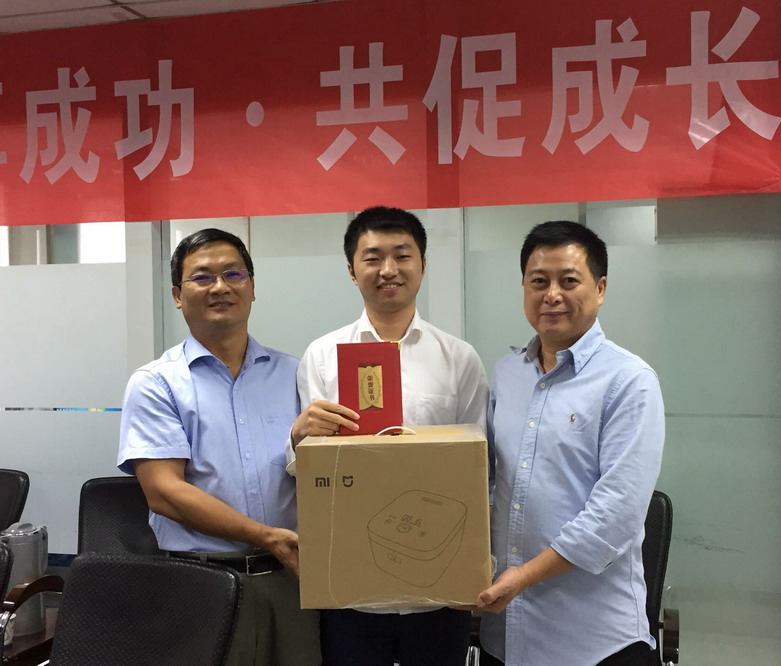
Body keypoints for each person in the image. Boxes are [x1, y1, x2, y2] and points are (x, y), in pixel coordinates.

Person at [288, 206, 489, 666]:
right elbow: (309, 470)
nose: (388, 269)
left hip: (439, 591)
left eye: (402, 255)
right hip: (350, 586)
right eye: (373, 257)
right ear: (351, 270)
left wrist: (473, 567)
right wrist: (301, 436)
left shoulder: (459, 358)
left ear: (423, 264)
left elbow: (478, 471)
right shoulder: (322, 356)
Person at [118, 228, 321, 666]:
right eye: (202, 277)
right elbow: (164, 492)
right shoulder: (156, 383)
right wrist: (266, 536)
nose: (220, 287)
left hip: (290, 579)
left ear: (252, 287)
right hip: (199, 582)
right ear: (177, 295)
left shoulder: (296, 375)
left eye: (233, 274)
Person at [476, 221, 665, 666]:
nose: (552, 295)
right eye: (539, 281)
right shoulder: (506, 374)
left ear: (600, 288)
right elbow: (484, 481)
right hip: (505, 634)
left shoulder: (628, 381)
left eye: (569, 280)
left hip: (593, 640)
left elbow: (615, 515)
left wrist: (523, 577)